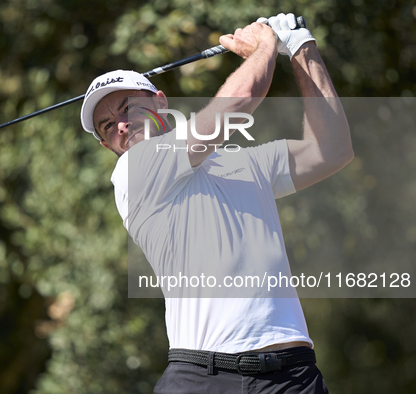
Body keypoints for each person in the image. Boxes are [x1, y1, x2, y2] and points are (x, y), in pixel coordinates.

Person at [80, 13, 353, 393]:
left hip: (291, 376)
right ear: (107, 144)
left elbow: (332, 150)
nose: (121, 125)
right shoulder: (133, 172)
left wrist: (301, 47)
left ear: (160, 102)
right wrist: (266, 45)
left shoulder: (245, 162)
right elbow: (239, 99)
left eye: (127, 107)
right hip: (200, 376)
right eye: (108, 126)